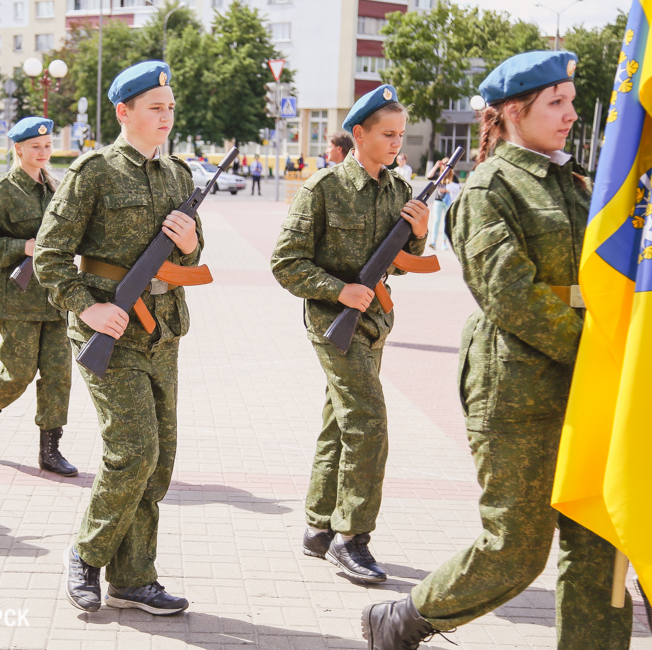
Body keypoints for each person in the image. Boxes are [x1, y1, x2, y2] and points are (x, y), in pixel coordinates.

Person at [361, 51, 633, 650]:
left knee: (600, 543)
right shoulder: (489, 188)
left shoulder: (581, 185)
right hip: (519, 390)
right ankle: (404, 618)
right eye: (555, 103)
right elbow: (510, 294)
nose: (570, 114)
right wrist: (599, 355)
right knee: (517, 547)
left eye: (570, 100)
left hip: (590, 386)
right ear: (513, 111)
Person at [34, 60, 203, 616]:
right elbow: (50, 257)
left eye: (171, 107)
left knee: (159, 460)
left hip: (162, 332)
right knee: (133, 452)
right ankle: (85, 555)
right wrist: (89, 307)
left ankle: (133, 579)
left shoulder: (178, 174)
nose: (167, 116)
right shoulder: (94, 173)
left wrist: (190, 243)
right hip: (109, 333)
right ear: (123, 112)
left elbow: (191, 259)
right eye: (156, 107)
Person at [271, 85, 429, 585]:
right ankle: (351, 537)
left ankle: (319, 526)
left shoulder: (399, 190)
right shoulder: (323, 188)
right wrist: (339, 290)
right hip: (331, 323)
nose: (396, 144)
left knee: (339, 423)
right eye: (387, 134)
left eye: (400, 135)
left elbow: (401, 265)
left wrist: (418, 234)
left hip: (374, 323)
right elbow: (286, 263)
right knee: (367, 422)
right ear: (358, 134)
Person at [0, 116, 76, 477]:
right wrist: (22, 247)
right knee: (19, 373)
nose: (43, 152)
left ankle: (50, 450)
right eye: (35, 146)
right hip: (18, 299)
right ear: (19, 149)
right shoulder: (2, 189)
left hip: (55, 297)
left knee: (58, 375)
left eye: (47, 146)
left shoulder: (57, 188)